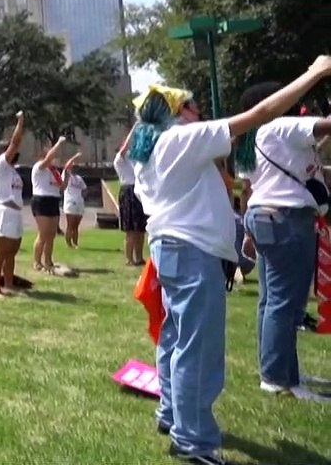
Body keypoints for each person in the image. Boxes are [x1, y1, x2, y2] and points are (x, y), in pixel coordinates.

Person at [131, 59, 331, 465]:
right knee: (198, 349)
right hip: (191, 252)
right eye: (190, 106)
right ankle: (192, 439)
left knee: (175, 339)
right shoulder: (179, 140)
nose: (198, 112)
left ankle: (171, 415)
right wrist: (315, 73)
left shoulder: (150, 150)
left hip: (173, 251)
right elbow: (260, 115)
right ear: (175, 112)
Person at [233, 81, 331, 401]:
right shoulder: (281, 125)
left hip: (264, 219)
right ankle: (278, 379)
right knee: (286, 302)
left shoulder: (252, 140)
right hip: (287, 220)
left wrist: (248, 233)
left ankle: (279, 370)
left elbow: (250, 191)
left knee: (270, 301)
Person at [0, 112, 27, 297]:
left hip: (16, 213)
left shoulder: (12, 171)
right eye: (11, 151)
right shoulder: (0, 167)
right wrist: (20, 122)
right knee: (1, 252)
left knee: (12, 251)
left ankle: (9, 284)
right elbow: (15, 142)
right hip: (5, 212)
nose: (15, 154)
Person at [30, 137, 69, 274]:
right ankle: (37, 262)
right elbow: (48, 159)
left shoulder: (54, 171)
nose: (53, 156)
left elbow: (62, 187)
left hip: (53, 201)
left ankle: (48, 261)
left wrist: (67, 173)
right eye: (49, 153)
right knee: (43, 233)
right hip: (41, 200)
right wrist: (58, 143)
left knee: (51, 234)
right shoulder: (39, 167)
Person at [115, 125, 148, 266]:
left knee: (140, 228)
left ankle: (139, 257)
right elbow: (125, 147)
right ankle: (129, 258)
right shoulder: (120, 159)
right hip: (128, 191)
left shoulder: (136, 161)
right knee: (130, 230)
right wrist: (134, 128)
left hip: (139, 191)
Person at [62, 153, 85, 249]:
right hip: (70, 202)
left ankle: (75, 243)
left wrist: (83, 197)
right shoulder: (66, 175)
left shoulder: (79, 178)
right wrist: (75, 156)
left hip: (79, 202)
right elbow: (67, 165)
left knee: (76, 226)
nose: (75, 167)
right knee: (70, 225)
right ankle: (69, 244)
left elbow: (84, 188)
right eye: (73, 165)